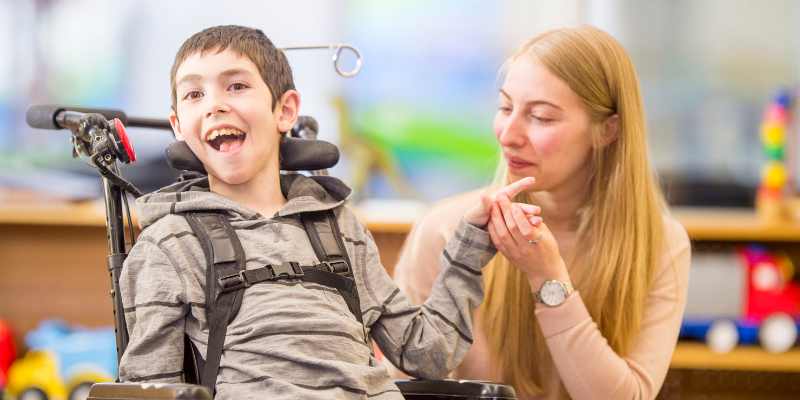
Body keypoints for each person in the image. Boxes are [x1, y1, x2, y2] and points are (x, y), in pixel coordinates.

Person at [117, 25, 536, 400]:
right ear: (178, 125)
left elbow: (426, 353)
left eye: (236, 86)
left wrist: (469, 248)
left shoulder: (339, 227)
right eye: (194, 94)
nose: (214, 105)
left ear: (285, 111)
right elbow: (151, 388)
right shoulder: (168, 244)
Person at [390, 25, 691, 400]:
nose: (507, 134)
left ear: (607, 130)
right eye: (505, 108)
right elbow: (398, 388)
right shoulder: (445, 229)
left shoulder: (661, 243)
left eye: (541, 117)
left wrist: (548, 278)